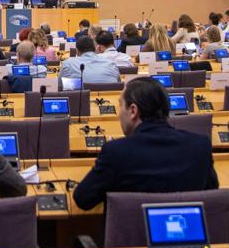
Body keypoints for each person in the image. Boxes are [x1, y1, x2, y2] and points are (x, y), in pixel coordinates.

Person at [72, 77, 219, 211]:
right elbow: (211, 195)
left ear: (133, 111)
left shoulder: (116, 152)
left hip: (132, 232)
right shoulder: (200, 146)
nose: (119, 113)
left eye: (120, 105)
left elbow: (83, 199)